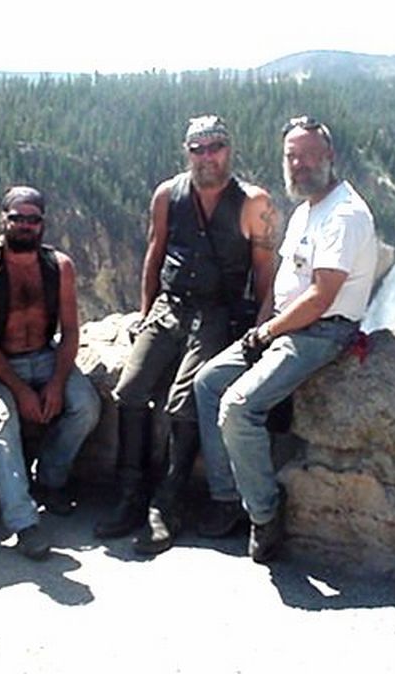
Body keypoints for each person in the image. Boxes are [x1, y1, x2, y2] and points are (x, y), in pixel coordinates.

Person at [193, 115, 377, 563]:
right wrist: (261, 329)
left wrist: (268, 332)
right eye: (292, 156)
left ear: (330, 156)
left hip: (322, 331)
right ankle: (227, 497)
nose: (299, 164)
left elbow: (321, 297)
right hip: (285, 325)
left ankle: (265, 514)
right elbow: (284, 284)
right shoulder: (306, 210)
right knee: (207, 382)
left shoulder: (345, 214)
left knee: (239, 407)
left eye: (309, 155)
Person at [94, 115, 277, 554]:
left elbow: (265, 273)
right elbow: (155, 252)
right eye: (198, 149)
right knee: (130, 390)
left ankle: (167, 502)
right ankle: (130, 495)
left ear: (229, 149)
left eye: (215, 147)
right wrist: (145, 314)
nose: (207, 157)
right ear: (187, 152)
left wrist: (261, 330)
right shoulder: (168, 194)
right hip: (169, 307)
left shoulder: (254, 202)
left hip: (218, 313)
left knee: (185, 398)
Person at [0, 186, 101, 560]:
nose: (25, 225)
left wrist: (57, 382)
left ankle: (50, 479)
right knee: (2, 422)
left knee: (86, 406)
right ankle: (23, 522)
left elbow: (70, 331)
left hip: (45, 354)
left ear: (43, 223)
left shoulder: (59, 267)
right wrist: (19, 389)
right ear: (4, 220)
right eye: (17, 218)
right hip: (1, 361)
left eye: (33, 219)